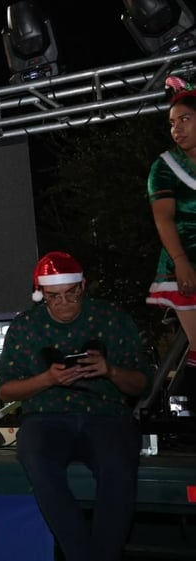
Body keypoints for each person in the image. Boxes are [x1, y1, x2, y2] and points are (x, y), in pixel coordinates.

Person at [0, 251, 150, 561]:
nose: (64, 303)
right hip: (46, 416)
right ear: (41, 295)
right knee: (37, 461)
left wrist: (110, 371)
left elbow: (142, 383)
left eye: (71, 294)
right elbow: (5, 390)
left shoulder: (111, 318)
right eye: (54, 297)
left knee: (118, 466)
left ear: (83, 286)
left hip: (105, 414)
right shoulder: (26, 327)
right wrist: (47, 379)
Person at [146, 75, 196, 406]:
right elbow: (163, 218)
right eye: (172, 123)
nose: (176, 128)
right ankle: (181, 403)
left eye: (186, 119)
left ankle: (181, 401)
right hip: (185, 260)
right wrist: (181, 263)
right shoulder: (163, 168)